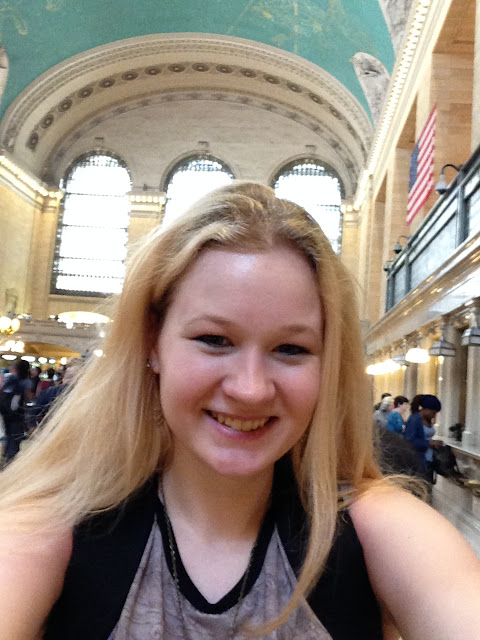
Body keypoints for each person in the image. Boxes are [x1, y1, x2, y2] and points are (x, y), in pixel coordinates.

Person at [0, 182, 479, 640]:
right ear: (152, 343)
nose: (250, 389)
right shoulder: (48, 530)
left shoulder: (385, 532)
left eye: (291, 349)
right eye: (214, 340)